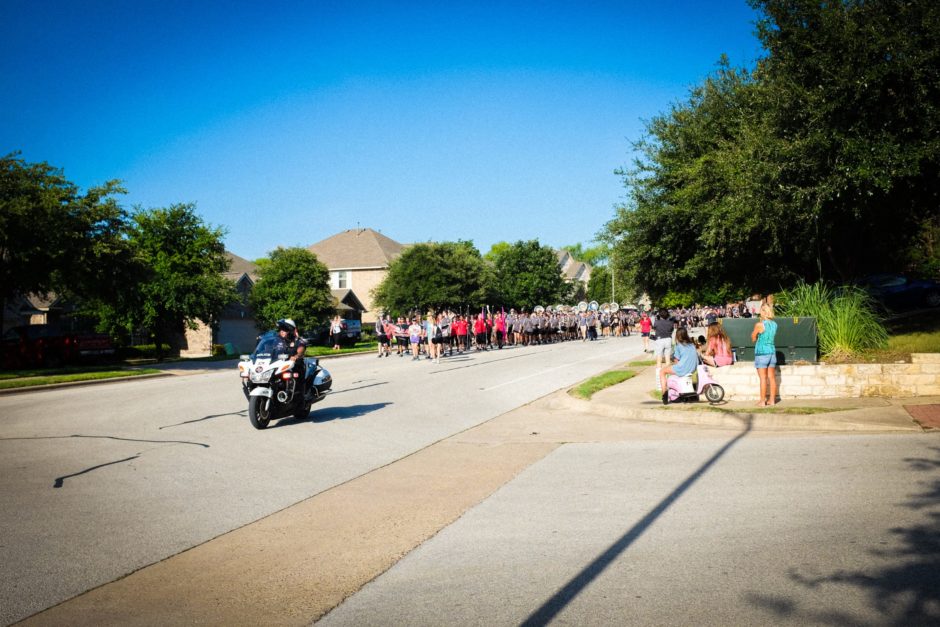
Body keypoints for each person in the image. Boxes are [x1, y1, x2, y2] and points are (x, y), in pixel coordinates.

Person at [659, 327, 697, 404]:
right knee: (669, 369)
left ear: (677, 336)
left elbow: (676, 361)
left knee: (662, 371)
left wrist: (671, 365)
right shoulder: (692, 345)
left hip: (683, 368)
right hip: (692, 368)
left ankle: (664, 393)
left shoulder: (679, 345)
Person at [751, 302, 779, 406]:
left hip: (762, 353)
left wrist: (756, 336)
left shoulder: (759, 325)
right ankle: (772, 400)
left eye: (760, 311)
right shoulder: (775, 325)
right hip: (772, 352)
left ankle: (762, 401)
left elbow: (753, 338)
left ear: (763, 312)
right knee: (771, 377)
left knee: (763, 378)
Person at [275, 318, 308, 395]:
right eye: (280, 329)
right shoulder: (277, 341)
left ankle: (300, 401)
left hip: (294, 367)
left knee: (297, 387)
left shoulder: (298, 341)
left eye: (284, 329)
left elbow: (301, 350)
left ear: (290, 331)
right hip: (279, 366)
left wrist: (295, 356)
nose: (282, 331)